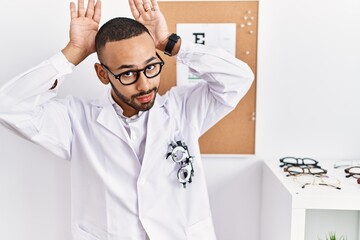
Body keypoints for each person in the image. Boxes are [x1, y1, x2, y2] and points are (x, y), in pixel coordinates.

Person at [0, 0, 254, 239]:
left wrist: (171, 43)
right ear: (102, 74)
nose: (145, 85)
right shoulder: (76, 121)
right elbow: (8, 106)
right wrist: (74, 53)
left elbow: (238, 78)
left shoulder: (183, 109)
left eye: (151, 67)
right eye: (128, 73)